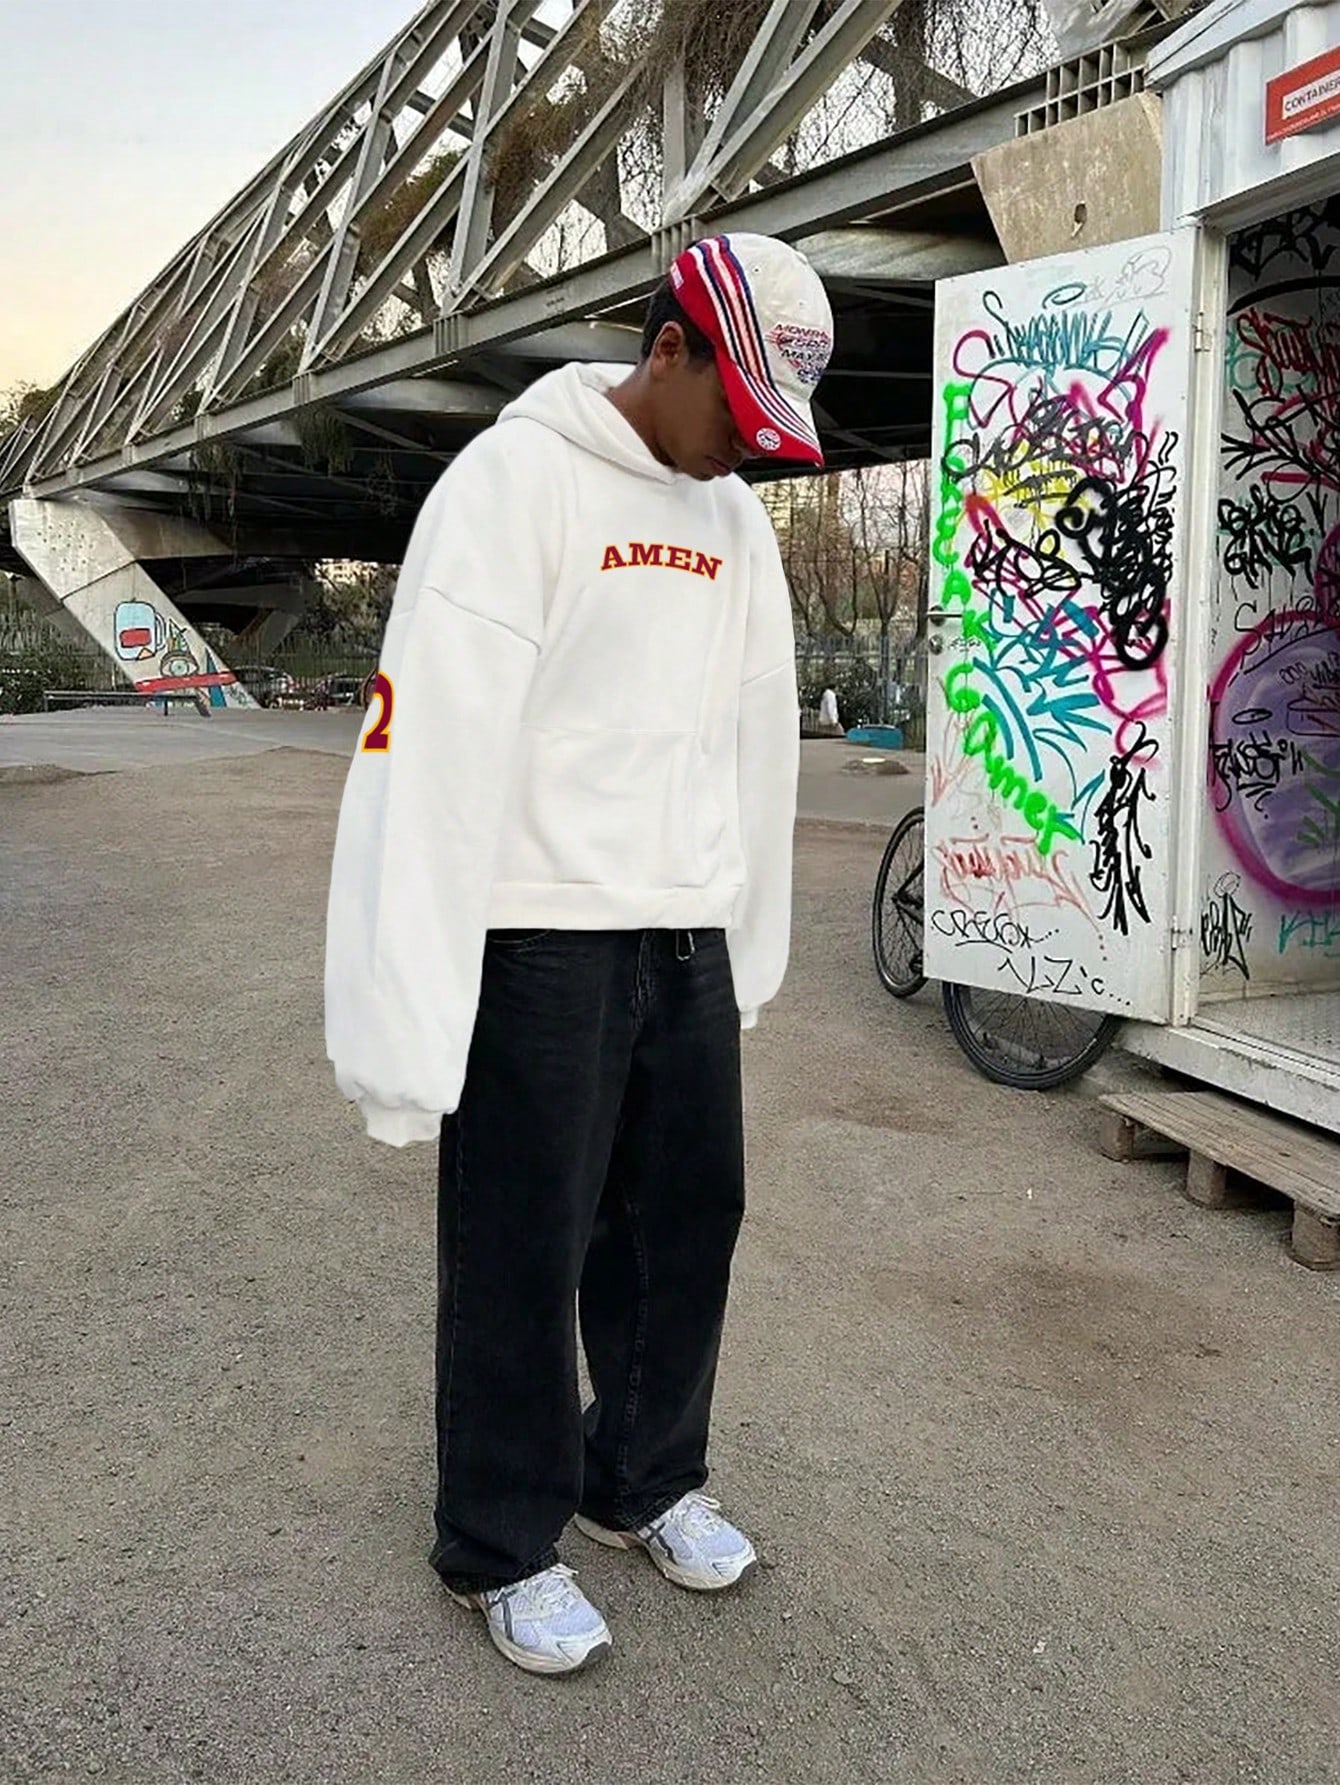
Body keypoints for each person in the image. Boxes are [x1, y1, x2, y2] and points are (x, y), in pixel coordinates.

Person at [324, 233, 834, 1676]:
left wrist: (746, 934)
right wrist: (405, 1010)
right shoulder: (515, 483)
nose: (749, 447)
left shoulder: (733, 524)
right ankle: (498, 1539)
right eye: (737, 409)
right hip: (539, 927)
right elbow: (430, 746)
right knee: (521, 1239)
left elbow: (757, 733)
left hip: (682, 920)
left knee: (688, 1219)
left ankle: (643, 1478)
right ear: (667, 348)